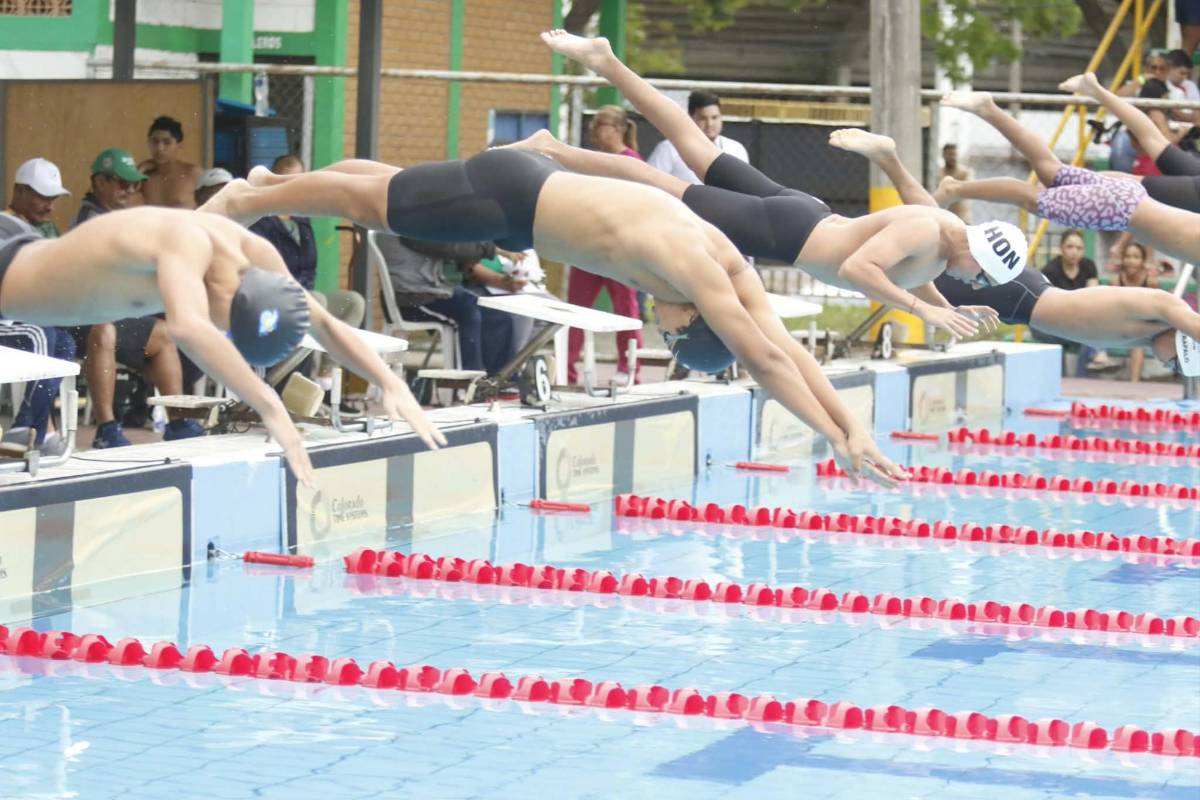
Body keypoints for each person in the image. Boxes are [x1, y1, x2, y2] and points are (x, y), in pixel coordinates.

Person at [196, 145, 908, 487]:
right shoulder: (698, 273)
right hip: (513, 199)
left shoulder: (728, 267)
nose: (660, 323)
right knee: (370, 207)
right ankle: (245, 200)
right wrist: (835, 437)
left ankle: (271, 186)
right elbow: (765, 360)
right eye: (671, 329)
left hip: (527, 203)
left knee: (386, 186)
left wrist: (853, 424)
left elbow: (783, 348)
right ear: (694, 321)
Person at [533, 31, 1018, 338]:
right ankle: (553, 149)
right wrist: (921, 310)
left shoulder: (943, 236)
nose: (974, 281)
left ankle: (607, 63)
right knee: (660, 182)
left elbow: (914, 272)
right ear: (978, 251)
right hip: (785, 233)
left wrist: (945, 304)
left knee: (693, 144)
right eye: (981, 275)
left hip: (800, 213)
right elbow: (855, 269)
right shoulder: (929, 234)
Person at [0, 207, 446, 485]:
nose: (221, 333)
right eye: (227, 327)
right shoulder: (187, 241)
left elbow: (325, 322)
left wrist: (388, 380)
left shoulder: (257, 256)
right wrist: (271, 407)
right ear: (230, 298)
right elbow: (190, 328)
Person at [831, 127, 1200, 379]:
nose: (1168, 365)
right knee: (922, 250)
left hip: (1019, 298)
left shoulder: (1148, 334)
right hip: (1017, 293)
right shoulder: (1165, 310)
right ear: (1185, 342)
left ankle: (887, 163)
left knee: (936, 233)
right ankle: (852, 204)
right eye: (1178, 362)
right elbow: (1183, 316)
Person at [932, 84, 1200, 268]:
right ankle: (955, 188)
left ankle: (988, 109)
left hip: (1128, 198)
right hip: (1118, 209)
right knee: (1031, 199)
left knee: (1050, 170)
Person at [72, 148, 203, 447]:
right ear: (100, 182)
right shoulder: (91, 220)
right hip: (79, 319)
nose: (131, 190)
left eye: (135, 184)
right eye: (123, 183)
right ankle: (106, 428)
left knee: (164, 334)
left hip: (108, 311)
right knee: (104, 330)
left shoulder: (112, 217)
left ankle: (178, 421)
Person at [565, 106, 643, 385]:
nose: (595, 132)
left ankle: (630, 367)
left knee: (625, 308)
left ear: (617, 129)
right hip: (587, 246)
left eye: (600, 126)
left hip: (618, 249)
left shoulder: (630, 161)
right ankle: (567, 370)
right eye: (594, 126)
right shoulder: (592, 160)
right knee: (576, 309)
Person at [380, 234, 526, 376]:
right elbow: (448, 246)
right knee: (467, 312)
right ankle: (465, 386)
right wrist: (496, 250)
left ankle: (500, 382)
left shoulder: (422, 220)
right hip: (411, 298)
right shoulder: (405, 223)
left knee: (496, 313)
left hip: (436, 292)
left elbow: (452, 249)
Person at [249, 155, 366, 330]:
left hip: (305, 294)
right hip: (271, 300)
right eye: (285, 179)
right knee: (315, 301)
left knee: (352, 302)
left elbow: (309, 267)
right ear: (273, 179)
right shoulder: (259, 218)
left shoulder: (301, 217)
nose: (292, 185)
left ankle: (333, 356)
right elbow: (263, 272)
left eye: (298, 179)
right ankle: (295, 357)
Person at [647, 90, 749, 183]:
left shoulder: (736, 149)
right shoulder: (669, 148)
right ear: (690, 118)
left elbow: (745, 185)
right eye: (702, 118)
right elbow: (649, 184)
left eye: (714, 117)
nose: (710, 124)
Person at [139, 116, 204, 208]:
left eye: (167, 142)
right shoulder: (144, 176)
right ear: (148, 142)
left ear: (179, 145)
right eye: (155, 141)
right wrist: (140, 170)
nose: (160, 148)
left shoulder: (193, 173)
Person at [7, 157, 70, 238]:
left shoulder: (48, 229)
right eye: (43, 197)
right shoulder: (3, 228)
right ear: (20, 190)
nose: (50, 207)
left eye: (53, 199)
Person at [937, 144, 973, 222]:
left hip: (962, 218)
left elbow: (967, 190)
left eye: (955, 154)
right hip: (944, 217)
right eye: (950, 154)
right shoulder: (939, 173)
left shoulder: (965, 173)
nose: (953, 157)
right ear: (943, 155)